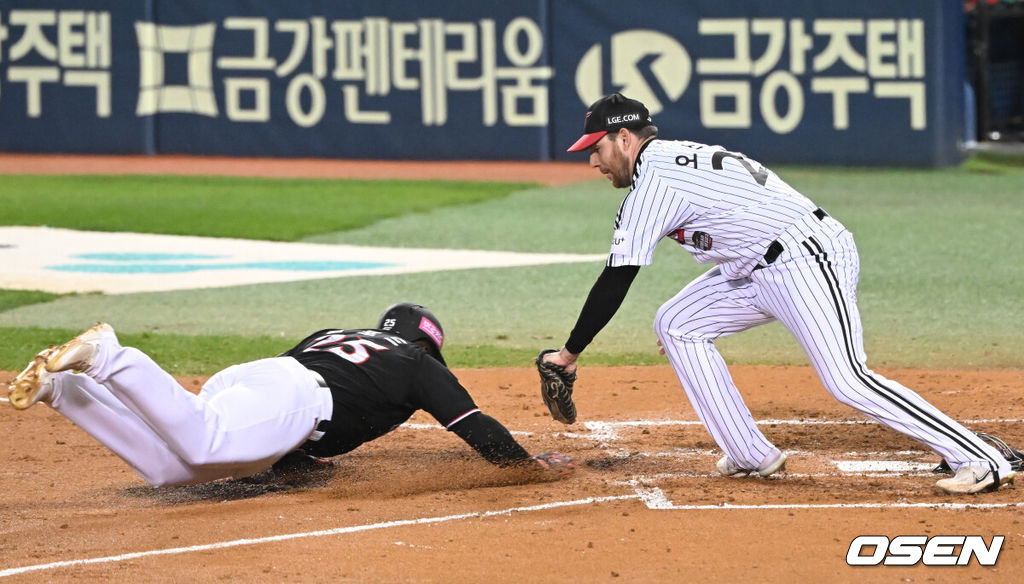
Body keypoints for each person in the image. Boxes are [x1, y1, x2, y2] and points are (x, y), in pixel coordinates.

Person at [541, 92, 1014, 495]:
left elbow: (617, 278)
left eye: (596, 148)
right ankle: (749, 453)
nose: (593, 161)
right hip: (753, 268)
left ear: (625, 139)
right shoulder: (671, 159)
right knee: (678, 323)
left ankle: (980, 458)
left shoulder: (656, 182)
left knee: (846, 379)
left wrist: (568, 353)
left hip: (804, 260)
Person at [8, 302, 573, 487]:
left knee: (172, 470)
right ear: (426, 344)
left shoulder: (341, 337)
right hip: (300, 397)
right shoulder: (416, 363)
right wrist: (526, 466)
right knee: (204, 446)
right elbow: (475, 425)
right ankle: (111, 355)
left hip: (266, 379)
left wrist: (296, 466)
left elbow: (277, 422)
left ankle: (64, 389)